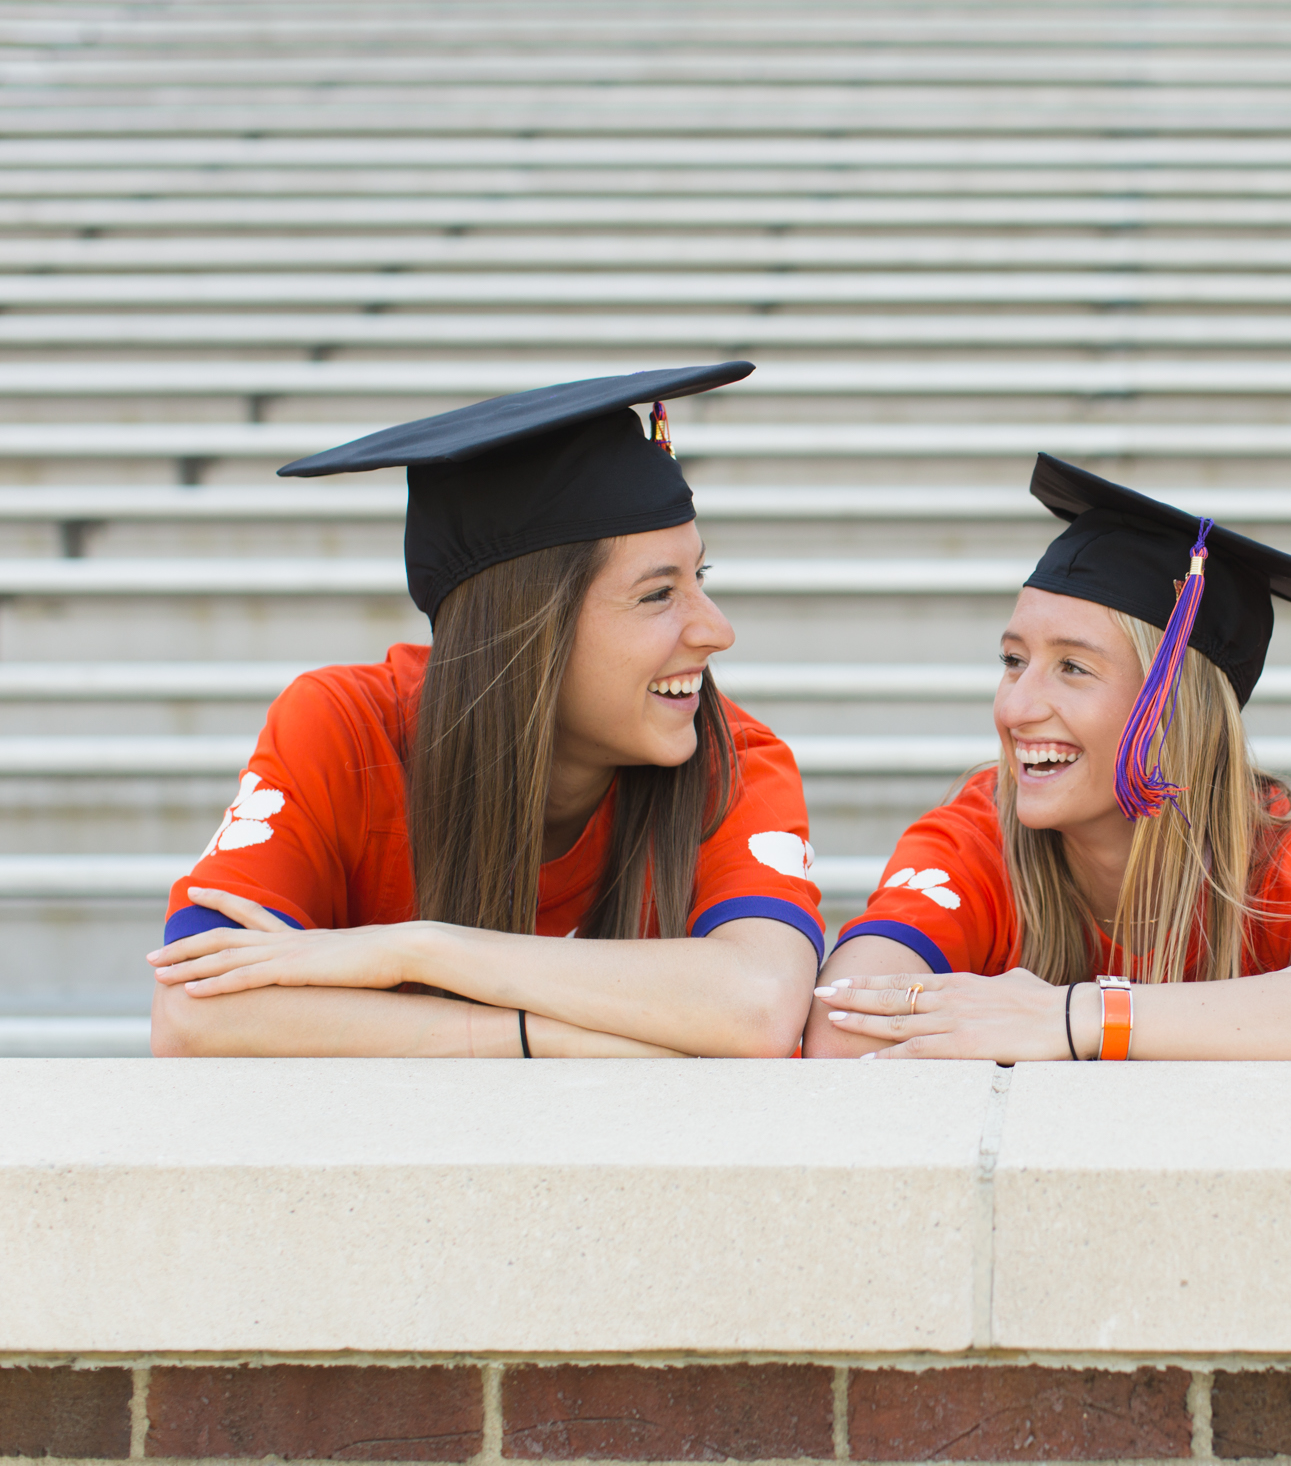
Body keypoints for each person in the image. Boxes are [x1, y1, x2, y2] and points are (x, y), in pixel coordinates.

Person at [148, 364, 825, 1058]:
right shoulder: (344, 727)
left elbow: (758, 1003)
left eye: (699, 577)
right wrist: (534, 1039)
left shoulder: (733, 759)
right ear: (528, 630)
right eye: (658, 594)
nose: (716, 629)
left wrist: (421, 950)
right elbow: (194, 1016)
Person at [806, 456, 1291, 1061]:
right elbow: (841, 1021)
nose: (1014, 709)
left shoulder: (1280, 854)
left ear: (1173, 708)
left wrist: (1082, 1016)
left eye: (1073, 667)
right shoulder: (981, 833)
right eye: (1013, 660)